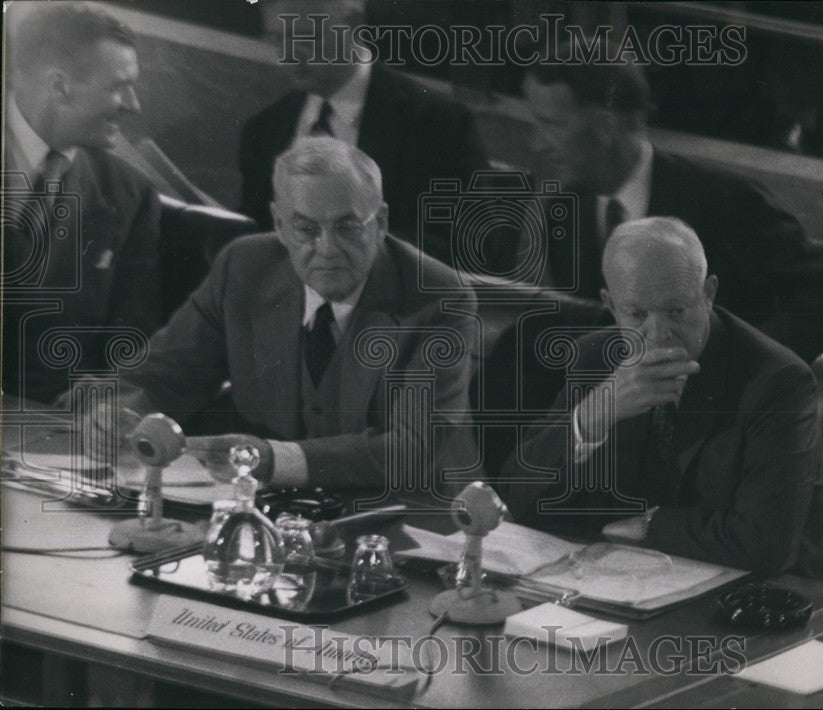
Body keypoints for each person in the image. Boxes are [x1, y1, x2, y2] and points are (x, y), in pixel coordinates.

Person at [116, 136, 477, 493]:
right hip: (283, 506)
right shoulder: (244, 267)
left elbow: (411, 449)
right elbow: (165, 376)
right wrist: (121, 415)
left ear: (380, 222)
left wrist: (273, 459)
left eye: (347, 227)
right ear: (279, 225)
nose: (327, 248)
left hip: (414, 511)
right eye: (306, 229)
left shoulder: (439, 299)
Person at [499, 217, 823, 578]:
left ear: (708, 294)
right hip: (621, 581)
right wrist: (593, 414)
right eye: (637, 314)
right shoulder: (595, 358)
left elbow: (764, 545)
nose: (659, 334)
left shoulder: (777, 381)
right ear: (611, 305)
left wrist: (648, 527)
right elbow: (518, 496)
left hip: (762, 595)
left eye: (676, 311)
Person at [518, 44, 823, 363]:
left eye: (551, 125)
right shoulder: (565, 209)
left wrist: (746, 363)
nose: (536, 144)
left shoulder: (722, 200)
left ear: (606, 128)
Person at [239, 0, 488, 267]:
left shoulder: (438, 123)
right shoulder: (264, 129)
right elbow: (255, 237)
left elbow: (466, 244)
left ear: (355, 22)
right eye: (277, 39)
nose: (289, 56)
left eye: (307, 37)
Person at [2, 2, 161, 403]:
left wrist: (104, 390)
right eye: (118, 86)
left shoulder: (131, 196)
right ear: (59, 86)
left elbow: (127, 343)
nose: (134, 104)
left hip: (50, 425)